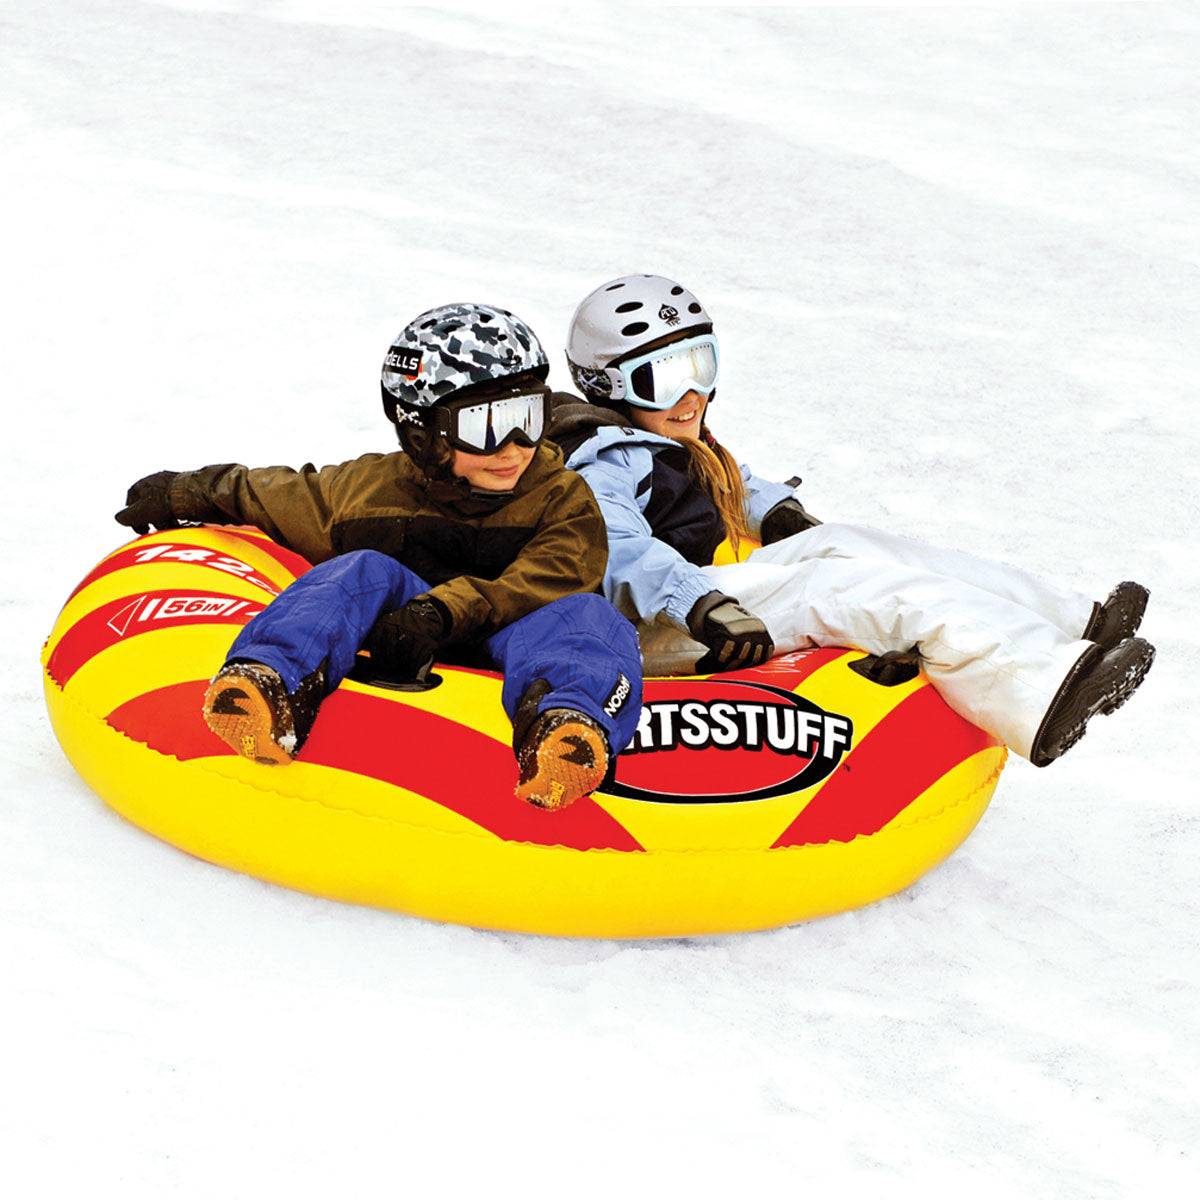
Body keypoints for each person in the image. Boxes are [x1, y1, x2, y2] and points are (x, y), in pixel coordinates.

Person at [548, 273, 1154, 767]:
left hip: (693, 597)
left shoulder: (661, 439)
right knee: (834, 589)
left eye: (699, 367)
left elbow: (724, 483)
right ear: (608, 385)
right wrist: (702, 604)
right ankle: (1043, 691)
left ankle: (1077, 623)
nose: (690, 396)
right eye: (663, 379)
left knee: (841, 542)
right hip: (654, 623)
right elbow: (617, 547)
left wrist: (777, 514)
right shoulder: (602, 461)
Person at [115, 302, 642, 809]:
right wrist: (189, 491)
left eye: (527, 416)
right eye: (483, 426)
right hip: (399, 630)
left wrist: (439, 612)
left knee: (589, 615)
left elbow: (548, 578)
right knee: (361, 568)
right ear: (424, 433)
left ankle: (566, 734)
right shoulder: (373, 490)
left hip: (517, 635)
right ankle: (270, 685)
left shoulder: (561, 495)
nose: (513, 446)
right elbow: (282, 496)